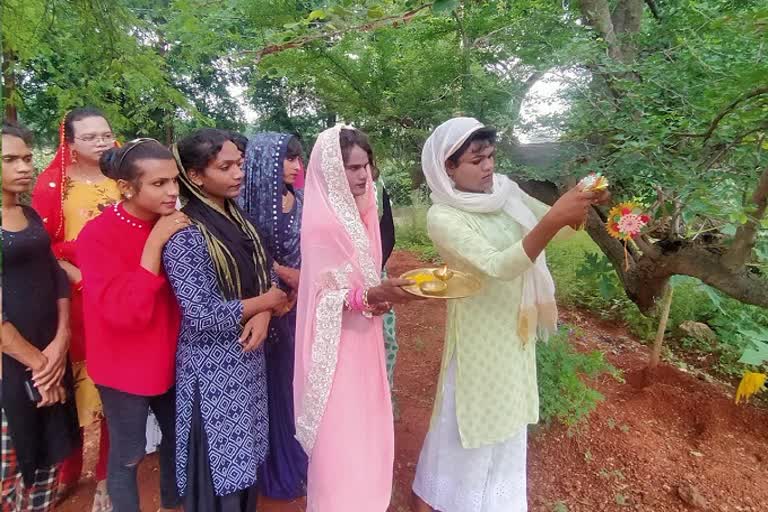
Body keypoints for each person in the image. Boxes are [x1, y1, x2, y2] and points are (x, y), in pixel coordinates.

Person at [411, 117, 610, 512]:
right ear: (447, 168)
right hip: (477, 338)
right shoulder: (444, 217)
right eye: (476, 160)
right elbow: (499, 265)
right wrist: (555, 218)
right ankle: (439, 499)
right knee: (468, 424)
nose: (488, 167)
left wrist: (579, 202)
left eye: (490, 156)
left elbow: (562, 229)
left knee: (506, 422)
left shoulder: (505, 192)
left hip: (513, 331)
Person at [293, 125, 421, 511]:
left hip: (364, 335)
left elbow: (366, 275)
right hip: (335, 349)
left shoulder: (362, 208)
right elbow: (320, 297)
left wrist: (376, 297)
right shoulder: (321, 222)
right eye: (352, 168)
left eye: (367, 165)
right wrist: (367, 295)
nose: (364, 175)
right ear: (332, 169)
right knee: (340, 434)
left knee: (367, 425)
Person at [164, 128, 288, 511]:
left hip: (247, 360)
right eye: (226, 166)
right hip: (212, 372)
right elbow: (200, 315)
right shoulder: (186, 233)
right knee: (218, 472)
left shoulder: (238, 218)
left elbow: (264, 271)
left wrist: (265, 310)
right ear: (196, 176)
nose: (238, 173)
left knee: (244, 462)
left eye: (240, 164)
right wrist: (263, 302)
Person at [77, 139, 187, 512]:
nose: (172, 191)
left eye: (174, 180)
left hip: (172, 354)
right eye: (159, 184)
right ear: (127, 187)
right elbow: (126, 313)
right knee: (128, 452)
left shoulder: (176, 222)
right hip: (122, 364)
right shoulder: (97, 236)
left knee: (177, 440)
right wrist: (154, 244)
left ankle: (172, 504)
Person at [32, 107, 118, 510]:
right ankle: (67, 473)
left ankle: (105, 476)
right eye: (91, 137)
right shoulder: (53, 186)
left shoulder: (124, 178)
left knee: (112, 388)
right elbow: (39, 243)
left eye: (106, 135)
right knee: (74, 388)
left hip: (119, 296)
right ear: (69, 143)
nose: (102, 143)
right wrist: (70, 268)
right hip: (76, 299)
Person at [1, 120, 80, 511]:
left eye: (28, 158)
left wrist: (62, 338)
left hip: (50, 353)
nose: (24, 167)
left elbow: (56, 278)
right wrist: (38, 365)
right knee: (11, 471)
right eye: (10, 159)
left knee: (50, 459)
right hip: (13, 370)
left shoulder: (31, 216)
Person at [239, 132, 308, 499]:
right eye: (289, 158)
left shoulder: (303, 199)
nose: (297, 166)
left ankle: (300, 460)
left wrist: (301, 287)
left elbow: (318, 248)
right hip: (264, 307)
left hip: (303, 306)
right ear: (267, 161)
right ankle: (278, 468)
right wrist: (279, 283)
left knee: (301, 385)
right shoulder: (244, 204)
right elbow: (246, 258)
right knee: (274, 387)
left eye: (299, 158)